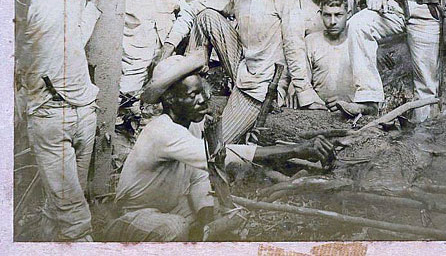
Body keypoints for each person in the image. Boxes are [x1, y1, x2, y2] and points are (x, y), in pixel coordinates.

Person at [107, 54, 334, 242]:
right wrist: (296, 150)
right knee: (174, 229)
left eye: (201, 92)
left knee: (228, 214)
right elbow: (218, 157)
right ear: (170, 100)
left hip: (169, 209)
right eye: (192, 95)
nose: (202, 100)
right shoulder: (162, 132)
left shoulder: (193, 125)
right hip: (133, 217)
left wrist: (208, 220)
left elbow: (199, 179)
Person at [178, 0, 325, 144]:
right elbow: (201, 8)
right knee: (207, 16)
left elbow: (294, 45)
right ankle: (192, 84)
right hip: (241, 68)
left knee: (217, 145)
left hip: (263, 83)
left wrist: (304, 92)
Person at [18, 0, 102, 241]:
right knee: (77, 221)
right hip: (50, 114)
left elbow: (73, 42)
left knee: (61, 210)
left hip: (85, 110)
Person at [306, 0, 377, 116]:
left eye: (338, 15)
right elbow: (304, 84)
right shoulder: (311, 41)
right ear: (320, 14)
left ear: (348, 14)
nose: (332, 21)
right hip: (318, 112)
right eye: (327, 15)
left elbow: (373, 102)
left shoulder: (360, 42)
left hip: (354, 114)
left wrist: (348, 102)